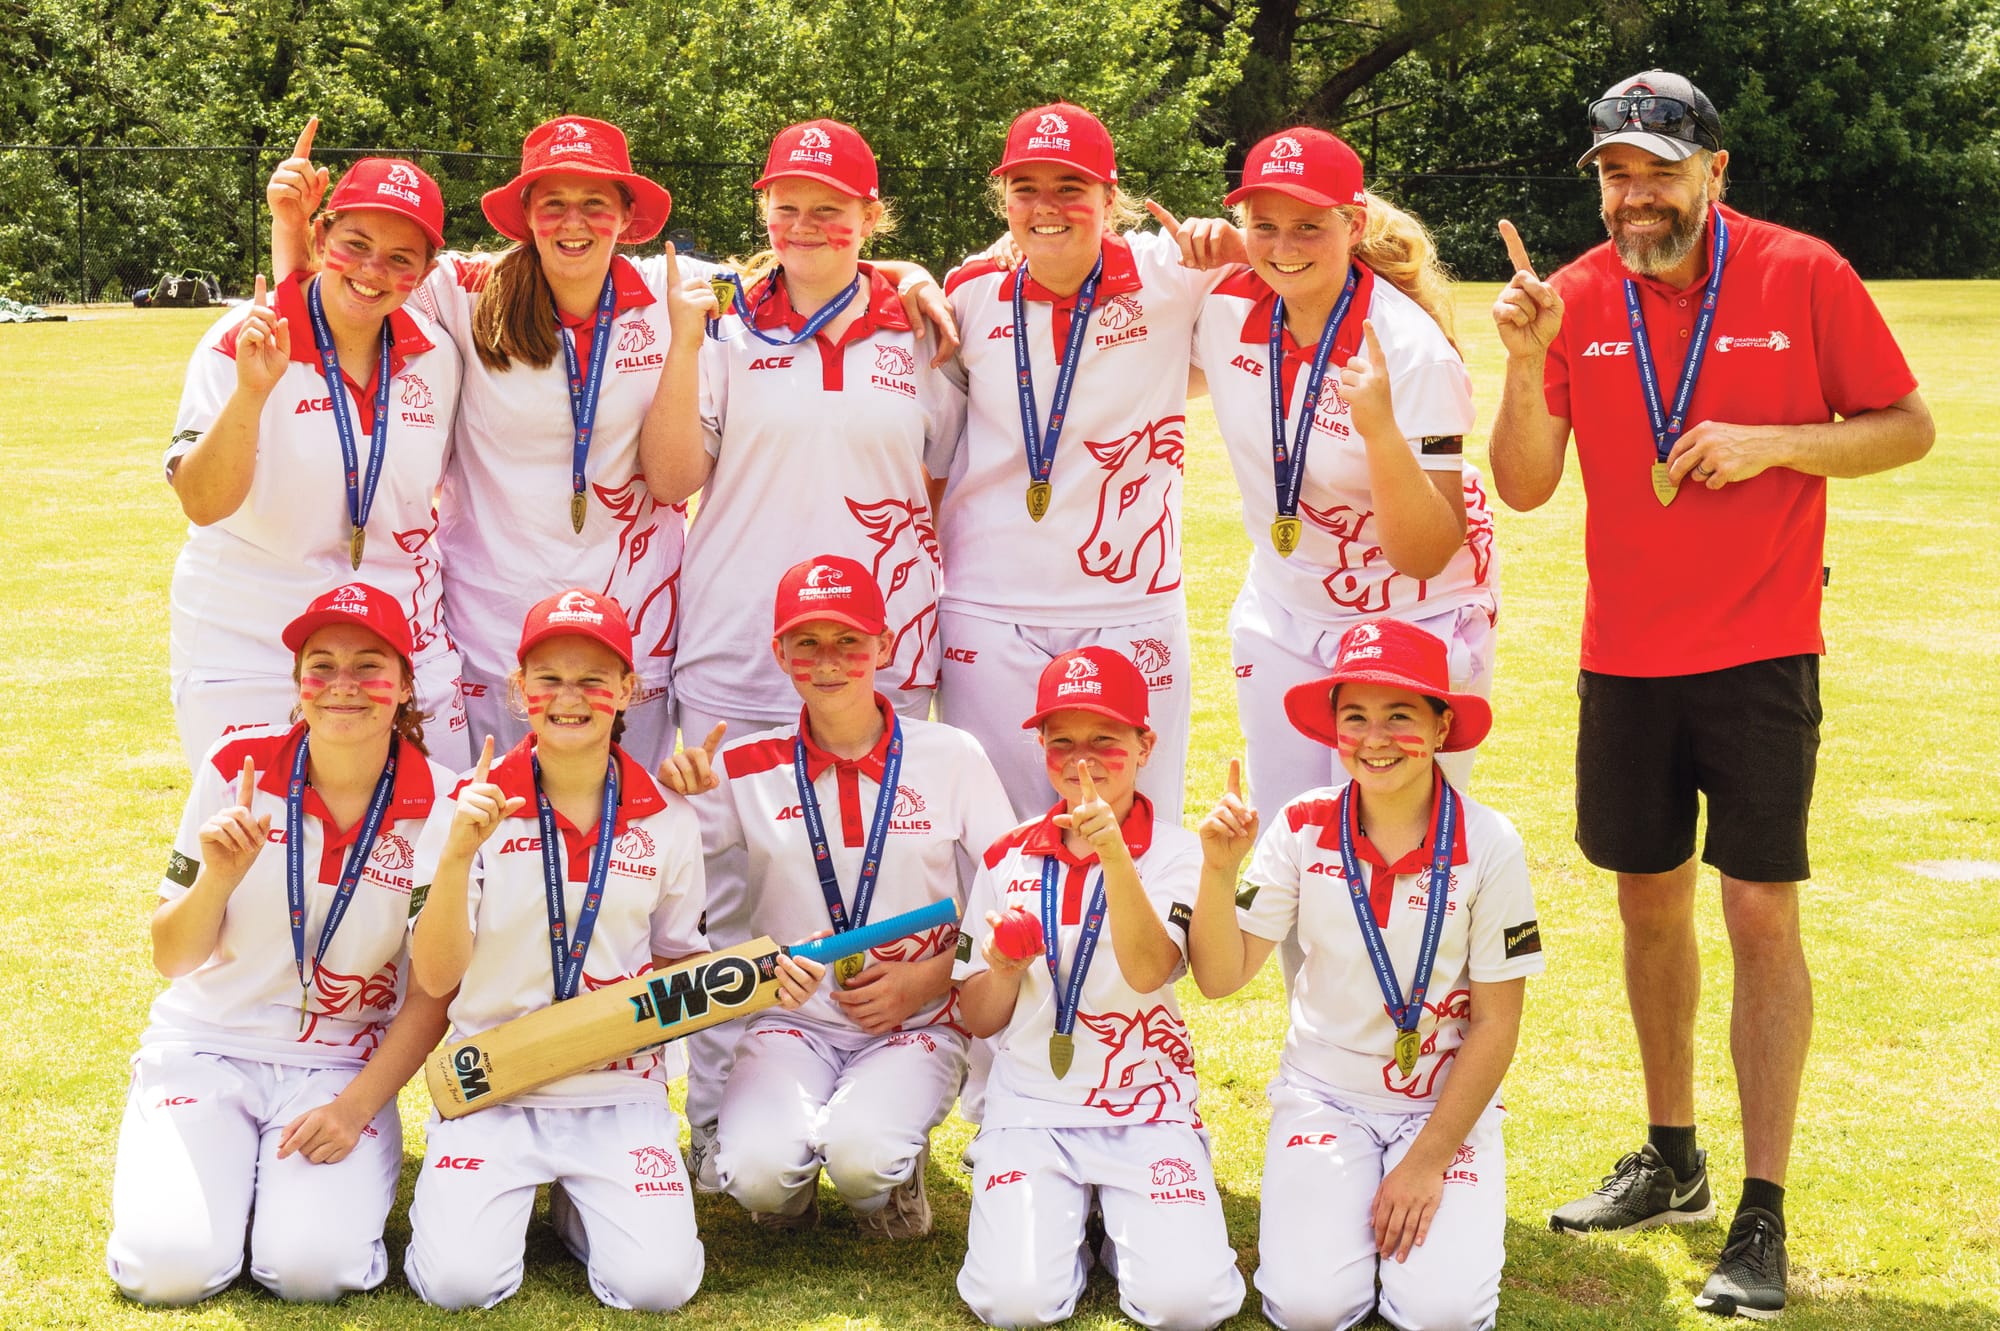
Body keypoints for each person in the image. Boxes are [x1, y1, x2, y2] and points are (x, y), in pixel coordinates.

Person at [1488, 70, 1933, 1319]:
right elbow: (1522, 487)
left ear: (1712, 172)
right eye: (1613, 175)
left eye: (1657, 171)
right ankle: (1670, 1154)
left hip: (1758, 651)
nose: (1634, 197)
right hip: (1622, 653)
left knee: (1757, 914)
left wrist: (1774, 440)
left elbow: (1905, 425)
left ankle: (1760, 1203)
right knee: (1645, 910)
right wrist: (1524, 363)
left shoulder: (1800, 272)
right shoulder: (1572, 295)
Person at [267, 116, 961, 768]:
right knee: (498, 848)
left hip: (636, 632)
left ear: (628, 216)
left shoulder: (682, 290)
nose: (574, 223)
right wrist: (290, 230)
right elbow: (346, 297)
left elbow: (805, 270)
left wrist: (905, 275)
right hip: (491, 625)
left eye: (595, 202)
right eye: (553, 202)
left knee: (636, 848)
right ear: (526, 212)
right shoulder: (462, 290)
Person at [639, 123, 968, 1163]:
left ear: (872, 216)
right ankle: (712, 1144)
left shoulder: (920, 327)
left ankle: (892, 1132)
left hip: (874, 655)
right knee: (723, 900)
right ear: (761, 209)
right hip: (738, 646)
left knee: (883, 891)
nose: (809, 222)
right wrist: (689, 342)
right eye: (788, 202)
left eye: (833, 204)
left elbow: (949, 474)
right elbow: (672, 476)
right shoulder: (724, 319)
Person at [106, 582, 457, 1304]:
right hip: (209, 1045)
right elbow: (170, 956)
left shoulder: (443, 802)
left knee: (310, 1271)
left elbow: (432, 994)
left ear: (403, 684)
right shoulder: (238, 768)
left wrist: (356, 1108)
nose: (343, 686)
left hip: (336, 1066)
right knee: (166, 1272)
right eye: (321, 664)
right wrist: (217, 881)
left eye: (368, 665)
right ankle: (220, 1182)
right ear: (297, 681)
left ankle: (271, 1194)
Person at [1189, 617, 1543, 1331]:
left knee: (1443, 1314)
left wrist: (1425, 1160)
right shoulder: (1298, 826)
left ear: (1443, 726)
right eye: (1355, 717)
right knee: (1309, 1307)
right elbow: (1220, 977)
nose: (1375, 738)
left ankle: (1411, 1224)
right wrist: (1218, 871)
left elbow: (1498, 1023)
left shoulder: (1491, 842)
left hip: (1440, 1106)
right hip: (1326, 1098)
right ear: (1333, 729)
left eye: (1400, 715)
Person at [402, 586, 748, 1312]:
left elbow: (678, 962)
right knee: (458, 1286)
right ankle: (527, 1191)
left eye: (594, 678)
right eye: (549, 678)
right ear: (519, 690)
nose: (570, 697)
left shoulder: (667, 814)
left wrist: (755, 978)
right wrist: (460, 853)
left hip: (617, 1086)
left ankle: (576, 1203)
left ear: (629, 689)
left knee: (658, 1287)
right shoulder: (471, 804)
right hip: (492, 1082)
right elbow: (435, 975)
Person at [657, 554, 1011, 1235]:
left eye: (850, 640)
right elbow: (652, 863)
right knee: (757, 1175)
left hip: (914, 1022)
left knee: (862, 1159)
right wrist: (673, 795)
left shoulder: (951, 755)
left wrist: (931, 976)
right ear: (779, 651)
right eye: (807, 642)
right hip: (793, 1020)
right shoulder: (747, 765)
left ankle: (891, 1173)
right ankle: (784, 1186)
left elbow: (1023, 892)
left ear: (885, 644)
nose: (829, 660)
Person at [933, 102, 1231, 821]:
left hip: (1130, 606)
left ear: (1109, 196)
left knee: (1138, 827)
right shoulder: (969, 290)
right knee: (1001, 834)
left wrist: (1236, 245)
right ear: (1002, 198)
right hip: (990, 602)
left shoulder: (1177, 274)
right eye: (1025, 187)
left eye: (1071, 187)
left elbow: (1309, 259)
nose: (1047, 206)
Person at [952, 645, 1244, 1331]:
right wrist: (1001, 968)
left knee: (1187, 1306)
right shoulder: (1006, 856)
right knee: (1013, 1306)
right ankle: (1074, 1216)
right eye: (1063, 742)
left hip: (1146, 1108)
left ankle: (1114, 1220)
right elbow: (976, 1014)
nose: (1082, 759)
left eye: (1105, 740)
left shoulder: (1177, 853)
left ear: (1146, 742)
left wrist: (1114, 852)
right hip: (1032, 1109)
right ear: (1042, 748)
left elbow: (1150, 971)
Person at [170, 131, 469, 771]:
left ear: (427, 271)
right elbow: (201, 502)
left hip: (401, 644)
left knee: (428, 849)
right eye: (355, 246)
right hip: (252, 641)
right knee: (256, 848)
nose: (372, 271)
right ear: (322, 237)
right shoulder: (240, 339)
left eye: (400, 258)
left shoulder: (437, 355)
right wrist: (252, 393)